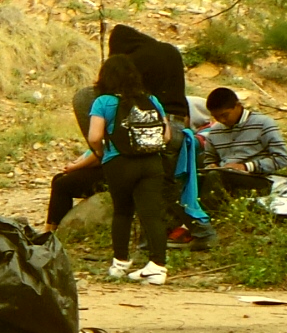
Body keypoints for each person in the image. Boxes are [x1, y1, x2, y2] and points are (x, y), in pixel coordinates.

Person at [107, 24, 215, 250]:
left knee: (157, 187)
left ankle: (203, 233)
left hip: (157, 129)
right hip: (180, 128)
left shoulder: (133, 62)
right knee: (173, 184)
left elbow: (128, 97)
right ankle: (151, 239)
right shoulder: (170, 51)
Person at [88, 55, 173, 285]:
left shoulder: (104, 102)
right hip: (152, 162)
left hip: (119, 162)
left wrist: (100, 153)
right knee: (152, 215)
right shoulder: (152, 100)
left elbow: (95, 136)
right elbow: (166, 135)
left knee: (122, 212)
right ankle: (157, 266)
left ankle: (120, 263)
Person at [201, 86, 287, 197]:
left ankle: (203, 213)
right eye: (216, 117)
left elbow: (282, 158)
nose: (222, 120)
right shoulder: (214, 131)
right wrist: (211, 165)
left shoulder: (263, 123)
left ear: (238, 106)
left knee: (216, 177)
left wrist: (245, 167)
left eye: (225, 115)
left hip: (257, 179)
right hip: (223, 175)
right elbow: (210, 159)